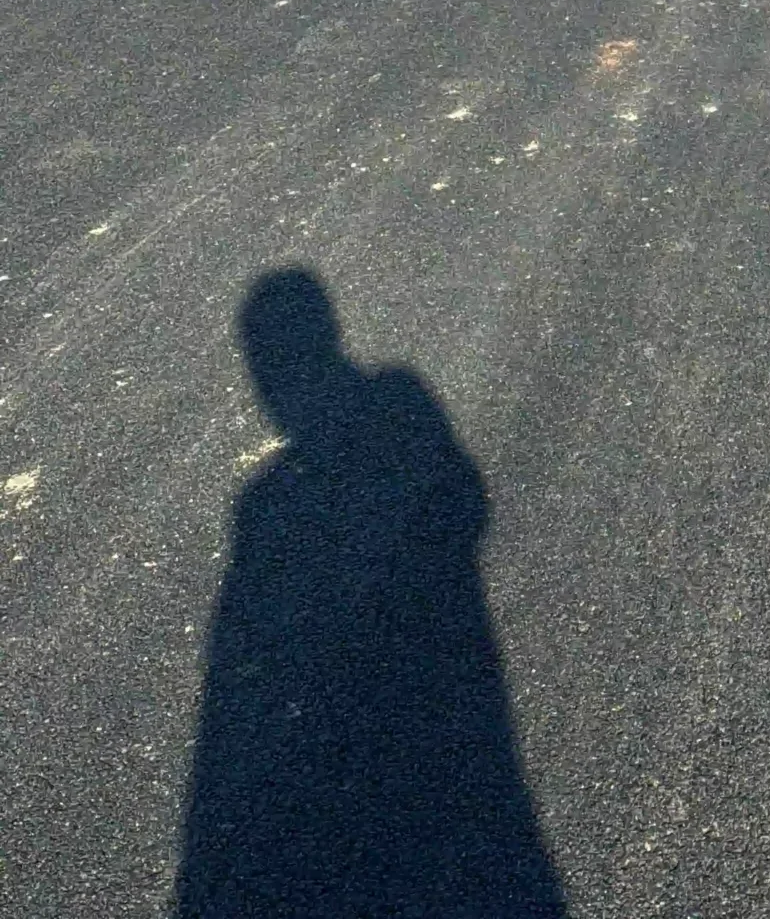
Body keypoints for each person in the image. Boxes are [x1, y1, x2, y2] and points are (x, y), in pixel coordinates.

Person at [174, 268, 568, 918]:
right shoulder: (394, 411)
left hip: (376, 750)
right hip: (439, 729)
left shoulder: (274, 501)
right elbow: (466, 507)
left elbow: (236, 674)